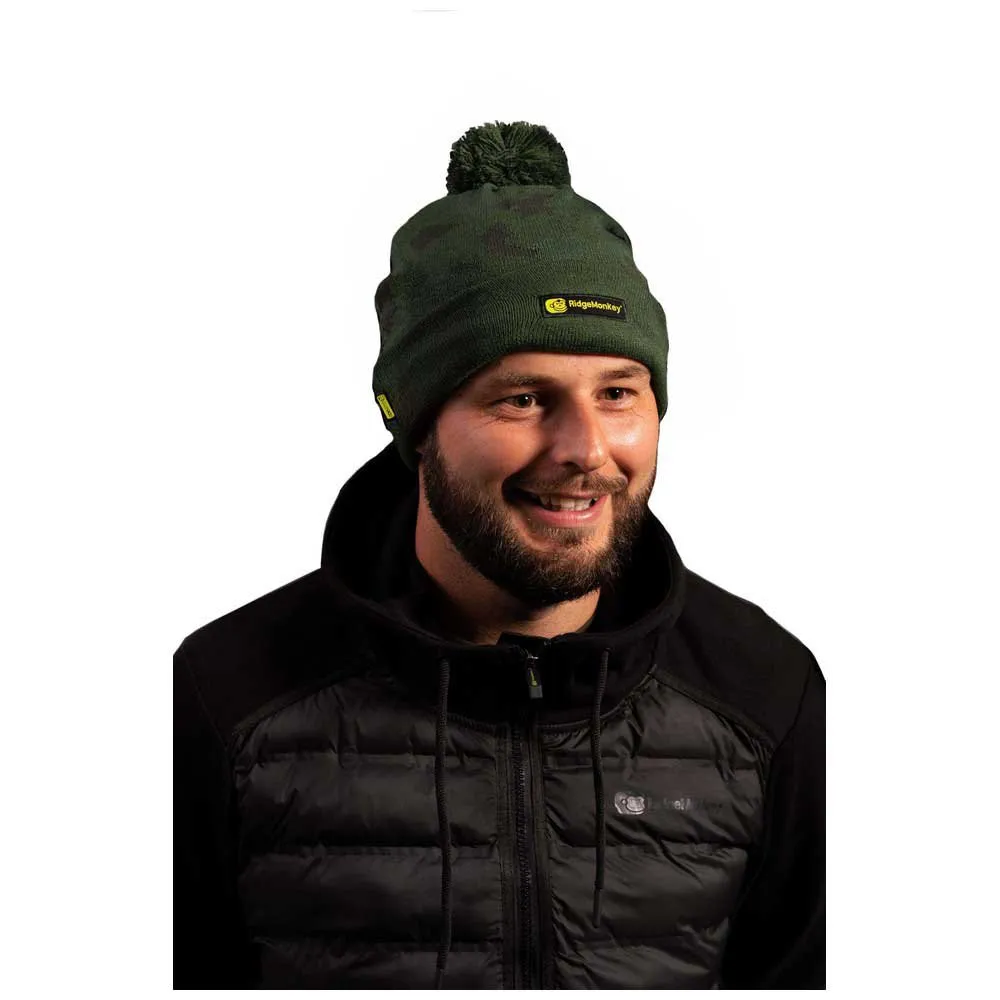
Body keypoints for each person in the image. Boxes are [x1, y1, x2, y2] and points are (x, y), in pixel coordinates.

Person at [173, 120, 826, 990]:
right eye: (522, 399)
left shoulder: (768, 694)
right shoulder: (225, 698)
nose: (586, 450)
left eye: (618, 392)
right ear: (418, 428)